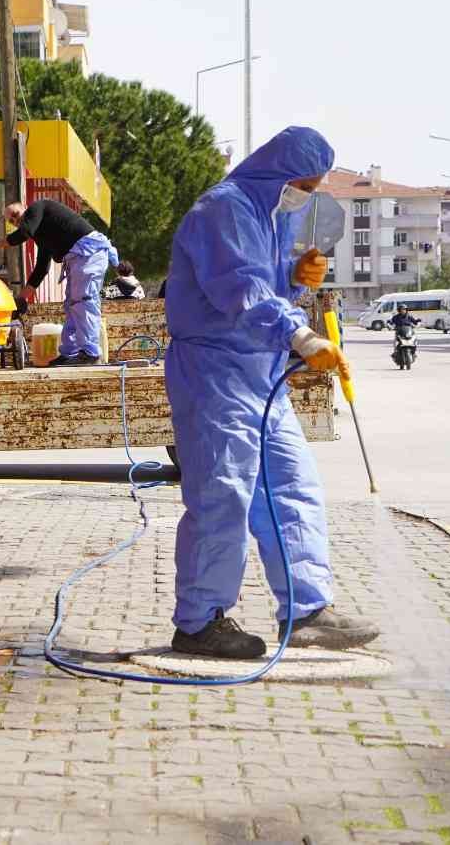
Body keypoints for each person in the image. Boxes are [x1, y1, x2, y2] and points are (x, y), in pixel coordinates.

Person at [163, 126, 380, 660]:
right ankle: (200, 621)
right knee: (224, 495)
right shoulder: (223, 210)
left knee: (292, 485)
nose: (304, 193)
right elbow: (240, 290)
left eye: (312, 186)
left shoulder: (273, 215)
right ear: (278, 174)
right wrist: (302, 335)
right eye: (302, 183)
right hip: (214, 373)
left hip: (260, 373)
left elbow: (268, 285)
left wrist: (297, 279)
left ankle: (307, 610)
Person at [0, 199, 119, 366]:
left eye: (15, 215)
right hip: (79, 258)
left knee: (83, 302)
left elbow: (24, 231)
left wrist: (1, 243)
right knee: (72, 304)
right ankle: (71, 352)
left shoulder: (38, 207)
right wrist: (22, 298)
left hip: (88, 253)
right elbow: (41, 269)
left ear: (24, 207)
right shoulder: (42, 233)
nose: (15, 221)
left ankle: (90, 352)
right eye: (11, 221)